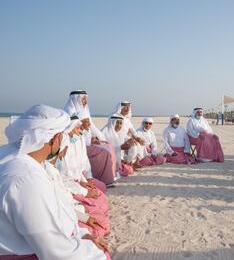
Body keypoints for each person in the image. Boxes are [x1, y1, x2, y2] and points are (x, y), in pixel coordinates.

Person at [0, 104, 109, 260]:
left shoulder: (18, 158)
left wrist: (82, 234)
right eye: (62, 135)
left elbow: (58, 209)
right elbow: (53, 251)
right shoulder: (25, 178)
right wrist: (92, 249)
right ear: (55, 138)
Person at [79, 111, 118, 187]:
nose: (89, 124)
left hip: (88, 148)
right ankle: (106, 179)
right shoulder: (77, 132)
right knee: (105, 152)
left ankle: (108, 178)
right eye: (87, 122)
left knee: (107, 148)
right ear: (80, 123)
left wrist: (92, 140)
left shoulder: (87, 130)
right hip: (83, 150)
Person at [112, 101, 146, 169]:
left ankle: (136, 162)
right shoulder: (115, 117)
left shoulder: (127, 120)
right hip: (116, 139)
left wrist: (138, 138)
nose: (127, 109)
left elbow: (133, 130)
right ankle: (128, 163)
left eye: (128, 108)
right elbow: (115, 133)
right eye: (125, 107)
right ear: (120, 108)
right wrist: (129, 140)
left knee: (139, 144)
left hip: (125, 138)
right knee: (133, 146)